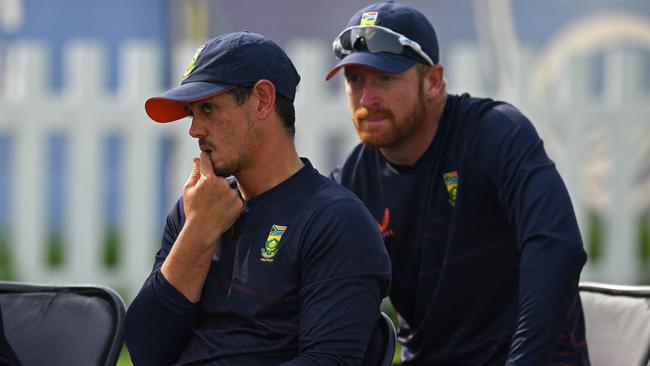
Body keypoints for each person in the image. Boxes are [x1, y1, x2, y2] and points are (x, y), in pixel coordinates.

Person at [326, 3, 589, 365]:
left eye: (385, 78)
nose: (367, 99)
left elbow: (557, 249)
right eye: (355, 79)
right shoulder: (353, 180)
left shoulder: (495, 133)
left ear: (432, 81)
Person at [124, 31, 391, 365]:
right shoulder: (197, 210)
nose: (194, 130)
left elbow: (329, 360)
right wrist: (196, 235)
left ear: (263, 100)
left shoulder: (335, 220)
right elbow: (143, 351)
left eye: (208, 108)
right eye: (193, 113)